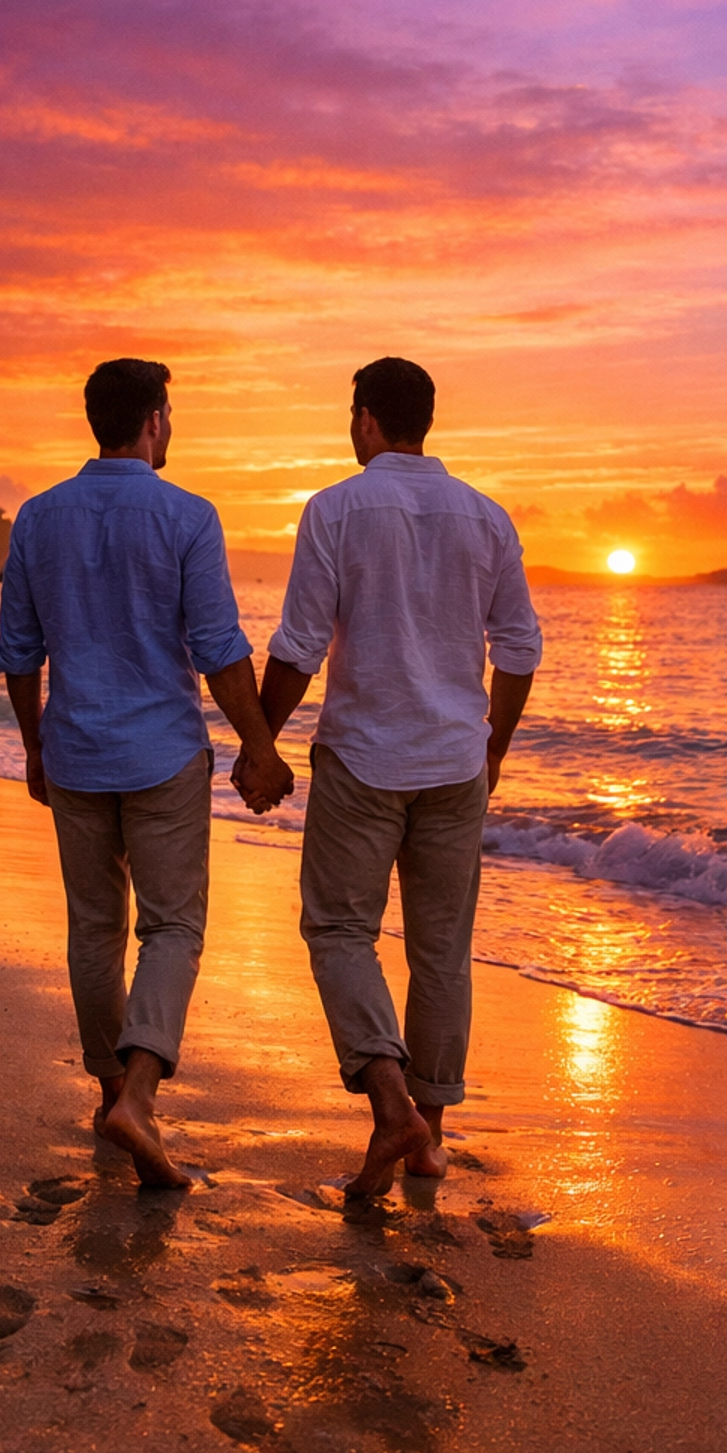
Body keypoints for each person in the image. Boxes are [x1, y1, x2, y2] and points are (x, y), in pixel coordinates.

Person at [249, 356, 542, 1196]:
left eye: (353, 416)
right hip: (455, 764)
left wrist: (260, 741)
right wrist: (495, 746)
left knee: (341, 931)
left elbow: (300, 645)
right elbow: (520, 648)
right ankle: (431, 1136)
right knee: (441, 951)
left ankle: (390, 1106)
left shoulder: (335, 510)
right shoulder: (487, 519)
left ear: (367, 419)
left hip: (365, 761)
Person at [0, 357, 293, 1188]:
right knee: (172, 928)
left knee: (95, 926)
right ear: (155, 420)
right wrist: (260, 745)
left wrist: (33, 745)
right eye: (173, 414)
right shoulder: (188, 516)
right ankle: (139, 1095)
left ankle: (108, 1092)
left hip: (78, 753)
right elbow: (220, 651)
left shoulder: (37, 518)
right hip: (162, 756)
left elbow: (20, 654)